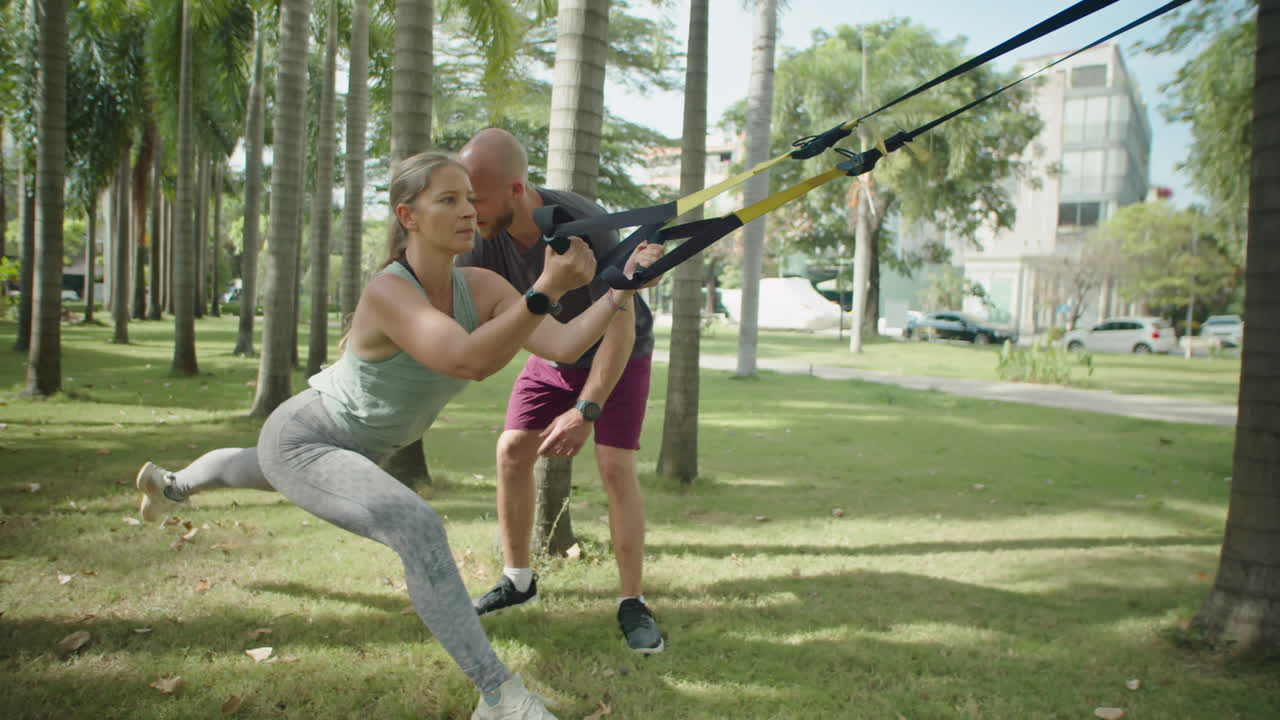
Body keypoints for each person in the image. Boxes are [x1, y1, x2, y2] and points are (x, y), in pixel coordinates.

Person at [133, 151, 662, 720]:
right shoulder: (390, 291)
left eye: (469, 197)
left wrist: (619, 292)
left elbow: (563, 346)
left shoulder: (481, 286)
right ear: (408, 217)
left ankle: (170, 486)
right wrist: (545, 290)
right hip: (307, 440)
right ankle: (499, 697)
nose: (467, 212)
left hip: (362, 450)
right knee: (417, 526)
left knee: (242, 468)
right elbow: (466, 360)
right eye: (449, 200)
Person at [454, 128, 663, 654]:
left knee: (615, 466)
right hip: (550, 348)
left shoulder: (580, 225)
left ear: (517, 189)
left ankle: (632, 601)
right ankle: (518, 580)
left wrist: (587, 408)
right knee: (510, 450)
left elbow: (619, 315)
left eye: (476, 198)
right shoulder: (479, 237)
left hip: (620, 344)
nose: (469, 211)